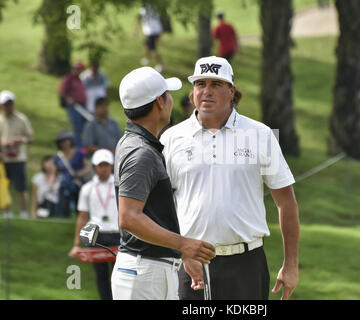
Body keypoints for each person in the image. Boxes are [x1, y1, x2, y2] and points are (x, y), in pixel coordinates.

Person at [160, 56, 300, 300]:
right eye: (200, 84)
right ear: (192, 92)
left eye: (216, 84)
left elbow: (285, 202)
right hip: (192, 263)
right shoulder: (170, 139)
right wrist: (180, 251)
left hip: (247, 264)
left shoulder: (261, 134)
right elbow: (160, 205)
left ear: (231, 91)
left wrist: (290, 265)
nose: (207, 92)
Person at [111, 66, 216, 300]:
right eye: (168, 95)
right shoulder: (141, 152)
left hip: (149, 270)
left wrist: (179, 252)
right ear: (159, 101)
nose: (171, 101)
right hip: (145, 272)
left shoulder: (138, 144)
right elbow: (129, 217)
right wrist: (183, 244)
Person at [69, 149, 120, 300]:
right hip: (96, 236)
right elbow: (82, 217)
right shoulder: (87, 188)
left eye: (106, 165)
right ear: (94, 166)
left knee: (119, 274)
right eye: (100, 165)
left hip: (118, 235)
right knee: (101, 275)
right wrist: (76, 244)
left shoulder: (120, 186)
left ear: (112, 166)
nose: (103, 168)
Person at [0, 90, 34, 219]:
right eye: (5, 104)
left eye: (10, 104)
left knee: (21, 188)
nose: (8, 107)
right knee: (5, 187)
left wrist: (21, 140)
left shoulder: (22, 118)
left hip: (19, 158)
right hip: (3, 159)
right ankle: (7, 214)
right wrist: (3, 145)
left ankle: (24, 214)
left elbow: (30, 137)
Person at [54, 131, 91, 218]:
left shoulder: (79, 153)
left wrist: (79, 173)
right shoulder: (58, 157)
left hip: (77, 183)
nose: (65, 143)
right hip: (65, 185)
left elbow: (87, 167)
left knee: (80, 205)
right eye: (62, 141)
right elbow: (56, 172)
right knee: (64, 205)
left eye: (66, 140)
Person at [59, 62, 88, 148]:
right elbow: (62, 92)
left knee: (85, 127)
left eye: (78, 69)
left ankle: (83, 147)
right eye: (75, 69)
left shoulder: (79, 79)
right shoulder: (68, 78)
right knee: (77, 128)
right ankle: (78, 148)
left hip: (82, 106)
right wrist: (68, 99)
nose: (76, 71)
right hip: (74, 107)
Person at [137, 3, 164, 71]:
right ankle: (147, 59)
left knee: (153, 49)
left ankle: (160, 65)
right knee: (146, 44)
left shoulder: (145, 8)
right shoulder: (155, 6)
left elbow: (140, 19)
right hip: (155, 31)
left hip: (152, 32)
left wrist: (136, 30)